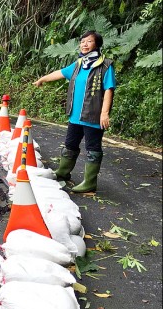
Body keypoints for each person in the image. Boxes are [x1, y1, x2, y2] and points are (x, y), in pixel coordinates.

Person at [33, 30, 116, 193]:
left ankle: (90, 182)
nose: (84, 44)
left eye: (89, 41)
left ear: (97, 44)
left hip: (93, 116)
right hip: (75, 116)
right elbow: (61, 73)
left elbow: (109, 89)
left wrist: (104, 113)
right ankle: (63, 173)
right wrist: (42, 79)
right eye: (82, 41)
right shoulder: (79, 64)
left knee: (92, 149)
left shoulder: (105, 65)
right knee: (70, 144)